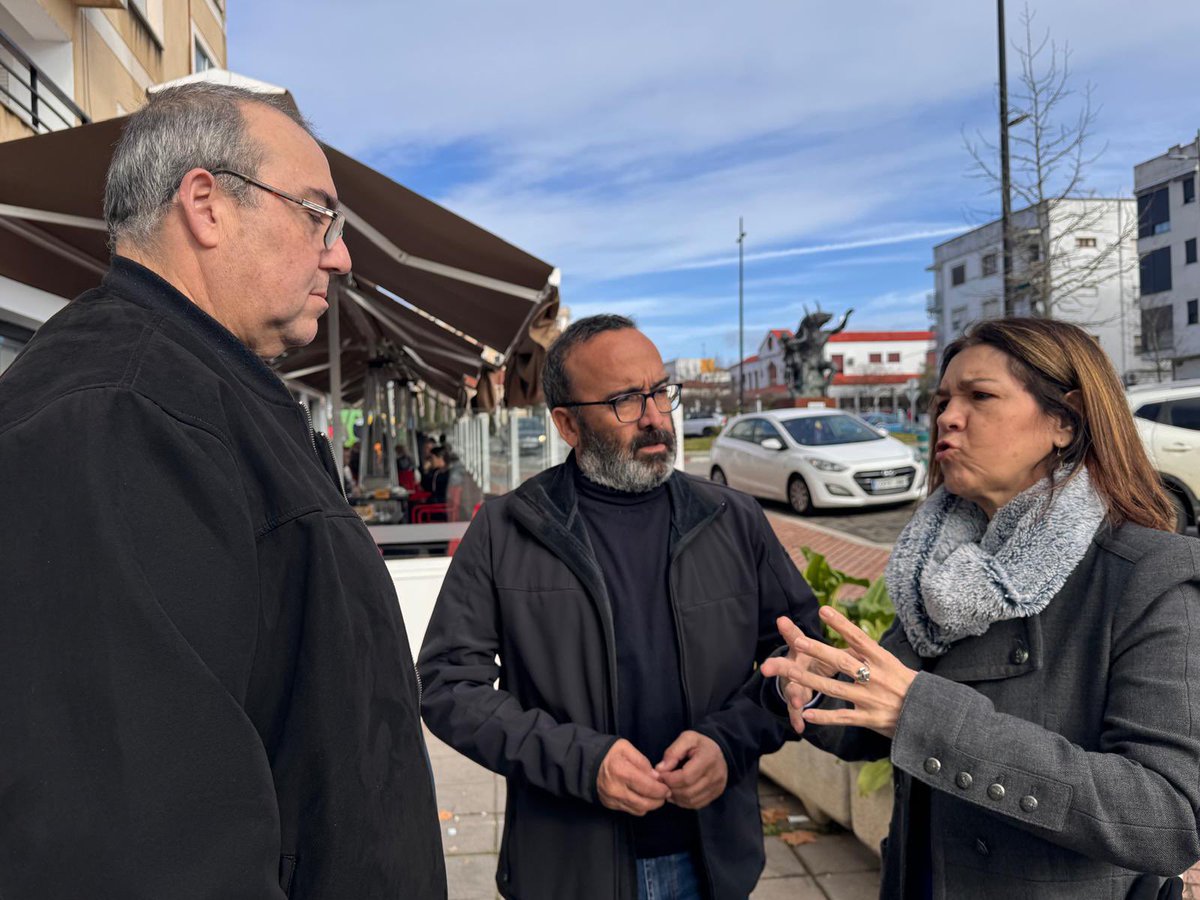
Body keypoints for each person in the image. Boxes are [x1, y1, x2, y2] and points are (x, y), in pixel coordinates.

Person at [0, 83, 446, 898]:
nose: (340, 254)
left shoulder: (196, 397)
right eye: (319, 214)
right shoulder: (122, 416)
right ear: (206, 205)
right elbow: (136, 844)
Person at [762, 317, 1200, 899]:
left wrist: (924, 715)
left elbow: (1167, 818)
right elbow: (882, 722)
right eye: (942, 399)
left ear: (1064, 422)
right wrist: (814, 689)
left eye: (980, 396)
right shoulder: (944, 569)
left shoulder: (1148, 573)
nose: (946, 416)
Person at [418, 314, 823, 900]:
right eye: (626, 401)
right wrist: (581, 763)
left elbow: (798, 657)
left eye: (660, 391)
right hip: (568, 869)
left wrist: (730, 742)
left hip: (710, 862)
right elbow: (448, 686)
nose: (657, 416)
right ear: (567, 424)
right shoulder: (506, 530)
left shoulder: (734, 520)